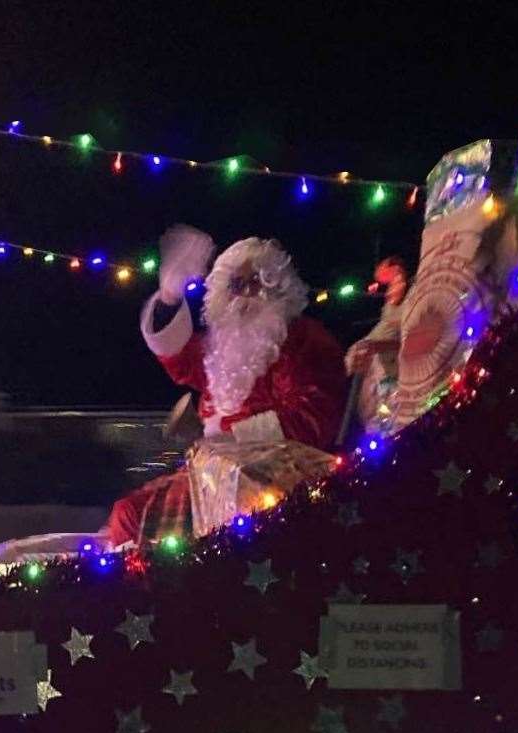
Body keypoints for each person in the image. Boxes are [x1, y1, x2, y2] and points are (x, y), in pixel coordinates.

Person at [104, 226, 346, 546]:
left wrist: (233, 438)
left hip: (272, 476)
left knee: (227, 525)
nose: (244, 294)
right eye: (236, 284)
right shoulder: (221, 345)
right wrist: (169, 298)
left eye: (256, 282)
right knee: (128, 514)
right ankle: (143, 590)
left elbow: (316, 417)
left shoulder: (304, 339)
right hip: (210, 473)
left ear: (277, 288)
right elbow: (180, 359)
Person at [343, 257, 409, 436]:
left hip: (396, 374)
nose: (389, 289)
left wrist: (377, 346)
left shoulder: (412, 303)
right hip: (377, 373)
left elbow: (411, 340)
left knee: (391, 419)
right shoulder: (390, 306)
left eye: (392, 279)